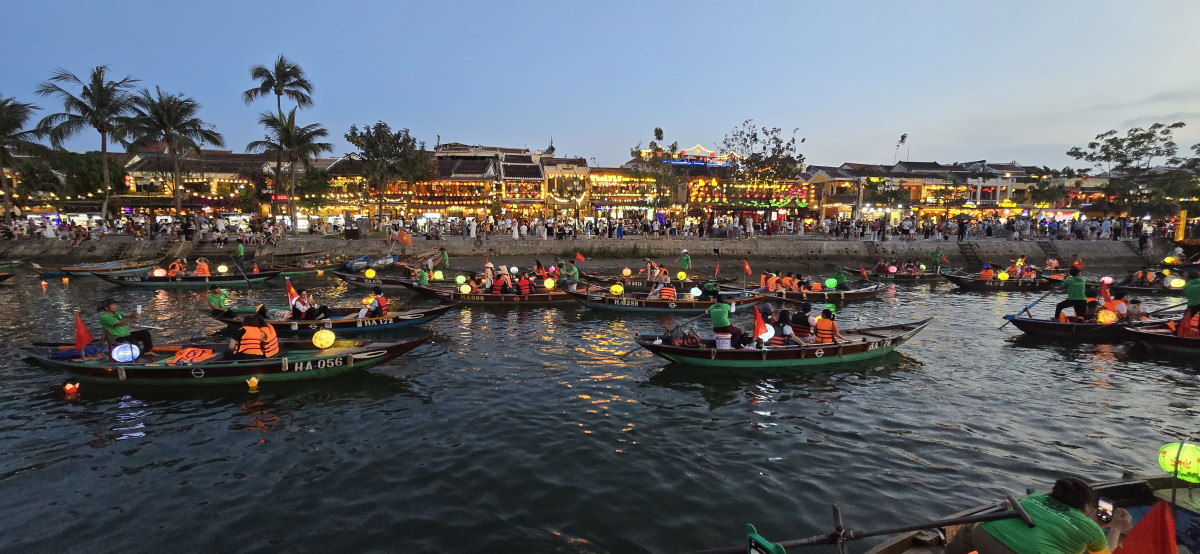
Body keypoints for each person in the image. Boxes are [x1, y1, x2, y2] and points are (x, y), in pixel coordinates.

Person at [944, 476, 1131, 554]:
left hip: (983, 538)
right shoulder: (1091, 529)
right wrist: (1115, 528)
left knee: (971, 527)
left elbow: (1058, 518)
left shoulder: (1034, 499)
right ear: (1086, 507)